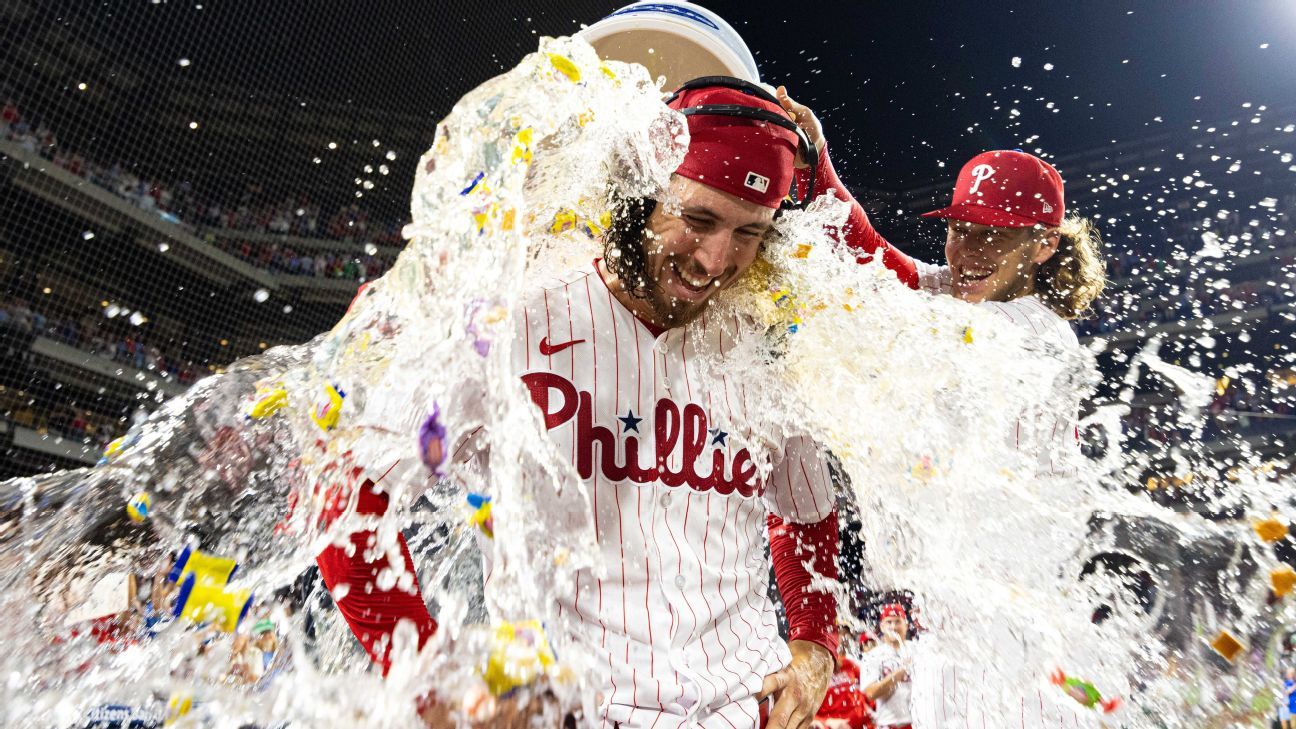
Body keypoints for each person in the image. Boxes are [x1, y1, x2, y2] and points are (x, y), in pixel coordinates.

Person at [316, 78, 840, 729]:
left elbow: (808, 512)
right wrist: (430, 677)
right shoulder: (510, 316)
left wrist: (817, 640)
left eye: (749, 232)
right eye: (698, 218)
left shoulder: (763, 346)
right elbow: (345, 489)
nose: (716, 258)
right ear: (640, 194)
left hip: (744, 711)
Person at [776, 88, 1106, 476]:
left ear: (1045, 245)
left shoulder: (1041, 331)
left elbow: (912, 327)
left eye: (994, 235)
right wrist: (813, 159)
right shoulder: (951, 289)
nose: (968, 252)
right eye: (959, 229)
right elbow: (865, 248)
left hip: (1016, 533)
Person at [812, 623, 875, 729]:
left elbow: (868, 692)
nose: (843, 640)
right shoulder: (811, 674)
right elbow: (803, 715)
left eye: (845, 635)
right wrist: (827, 722)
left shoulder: (850, 664)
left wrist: (871, 709)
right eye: (838, 634)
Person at [860, 604, 912, 729]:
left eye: (898, 621)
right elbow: (870, 693)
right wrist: (898, 674)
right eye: (888, 622)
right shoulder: (872, 656)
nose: (893, 626)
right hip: (890, 724)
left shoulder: (918, 650)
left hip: (919, 722)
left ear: (907, 625)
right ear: (882, 627)